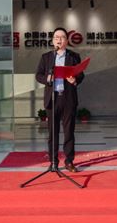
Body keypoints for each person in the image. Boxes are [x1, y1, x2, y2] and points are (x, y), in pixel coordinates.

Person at [35, 27, 85, 173]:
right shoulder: (46, 57)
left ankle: (69, 161)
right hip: (52, 99)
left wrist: (74, 79)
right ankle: (53, 162)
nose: (59, 39)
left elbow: (81, 75)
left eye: (62, 37)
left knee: (69, 132)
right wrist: (47, 78)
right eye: (56, 37)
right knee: (53, 133)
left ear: (67, 40)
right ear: (52, 40)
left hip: (68, 99)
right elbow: (38, 75)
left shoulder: (74, 56)